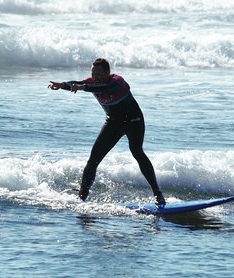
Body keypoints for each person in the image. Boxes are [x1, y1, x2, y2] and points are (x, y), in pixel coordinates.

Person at [48, 58, 165, 206]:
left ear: (108, 73)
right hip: (113, 122)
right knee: (93, 159)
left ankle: (157, 194)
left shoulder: (117, 81)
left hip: (133, 121)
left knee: (137, 151)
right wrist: (62, 85)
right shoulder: (91, 83)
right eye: (93, 73)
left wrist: (82, 87)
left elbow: (102, 88)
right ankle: (82, 195)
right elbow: (76, 83)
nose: (95, 77)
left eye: (98, 74)